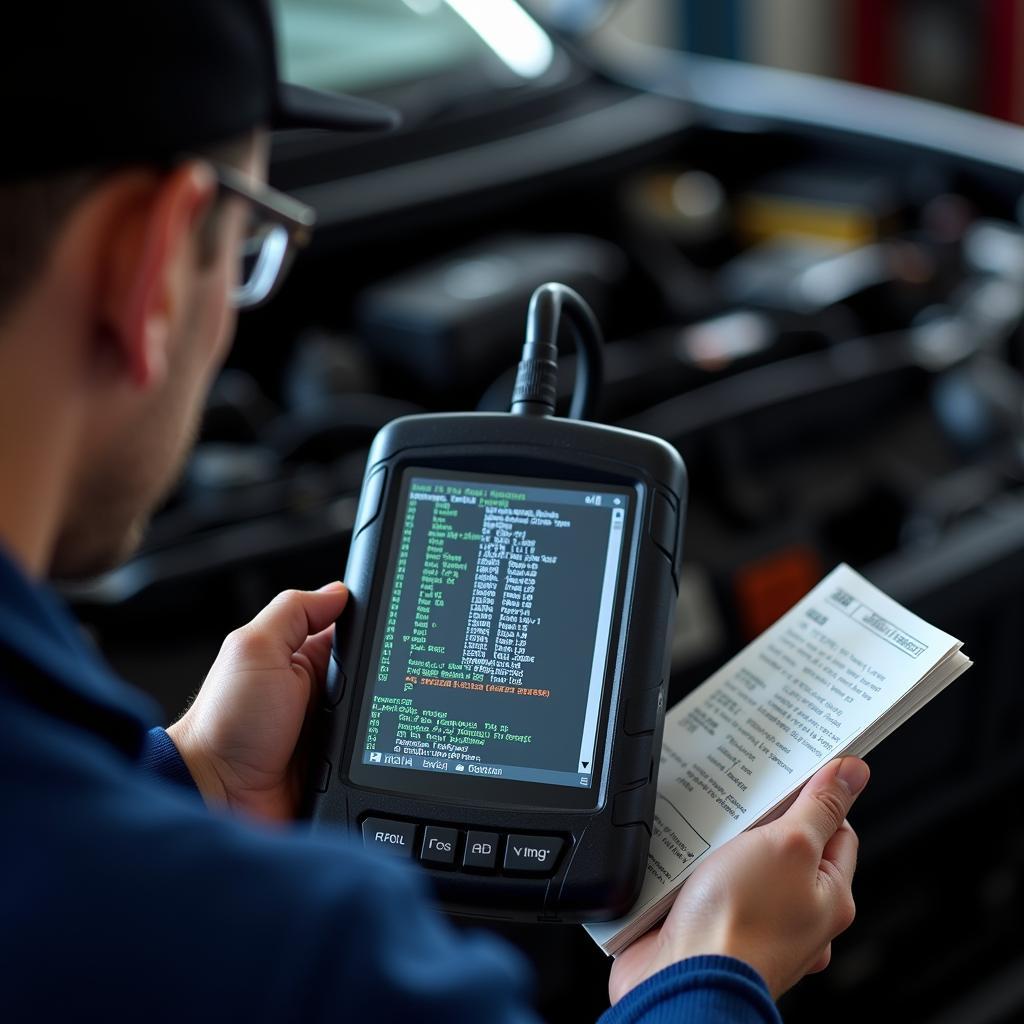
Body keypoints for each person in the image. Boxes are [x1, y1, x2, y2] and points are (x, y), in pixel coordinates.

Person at [0, 2, 869, 1021]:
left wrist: (193, 775)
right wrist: (708, 973)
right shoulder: (289, 954)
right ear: (144, 267)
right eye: (242, 249)